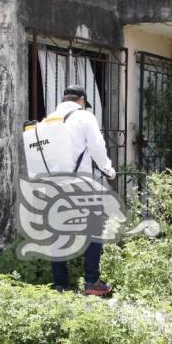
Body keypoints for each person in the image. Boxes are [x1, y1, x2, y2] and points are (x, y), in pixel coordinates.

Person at [50, 84, 116, 296]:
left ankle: (60, 285)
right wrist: (108, 169)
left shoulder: (49, 119)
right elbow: (97, 147)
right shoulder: (85, 117)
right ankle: (91, 282)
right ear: (82, 100)